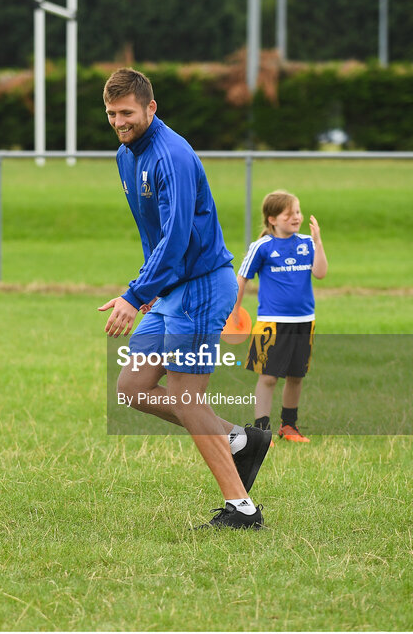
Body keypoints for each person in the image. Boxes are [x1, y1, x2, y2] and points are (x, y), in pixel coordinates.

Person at [98, 67, 272, 530]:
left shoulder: (171, 155)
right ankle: (240, 440)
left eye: (128, 113)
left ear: (151, 108)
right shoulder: (125, 155)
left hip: (199, 286)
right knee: (131, 389)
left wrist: (134, 296)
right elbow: (151, 232)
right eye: (112, 113)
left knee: (185, 394)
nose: (119, 121)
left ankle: (242, 508)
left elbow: (175, 238)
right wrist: (151, 290)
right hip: (171, 288)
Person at [234, 190, 327, 443]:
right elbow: (241, 279)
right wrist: (234, 312)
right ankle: (262, 431)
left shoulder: (307, 243)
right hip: (271, 323)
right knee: (268, 377)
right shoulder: (262, 246)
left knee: (296, 376)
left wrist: (318, 241)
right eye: (289, 214)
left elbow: (320, 273)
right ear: (272, 219)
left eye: (298, 212)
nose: (296, 217)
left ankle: (289, 427)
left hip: (304, 321)